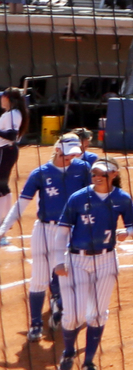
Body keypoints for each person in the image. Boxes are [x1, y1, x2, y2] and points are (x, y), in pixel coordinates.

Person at [54, 157, 133, 370]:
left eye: (102, 173)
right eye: (94, 173)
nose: (97, 176)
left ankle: (88, 362)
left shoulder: (122, 198)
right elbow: (62, 232)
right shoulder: (78, 198)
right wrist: (58, 261)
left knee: (99, 313)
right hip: (77, 261)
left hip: (107, 259)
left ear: (113, 175)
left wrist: (127, 233)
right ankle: (68, 353)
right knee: (73, 315)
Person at [5, 132, 93, 344]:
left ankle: (60, 306)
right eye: (67, 155)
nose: (70, 159)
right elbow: (22, 203)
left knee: (68, 274)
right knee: (39, 277)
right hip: (44, 230)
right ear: (57, 150)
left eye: (74, 155)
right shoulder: (40, 174)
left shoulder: (82, 169)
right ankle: (36, 323)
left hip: (71, 230)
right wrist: (3, 227)